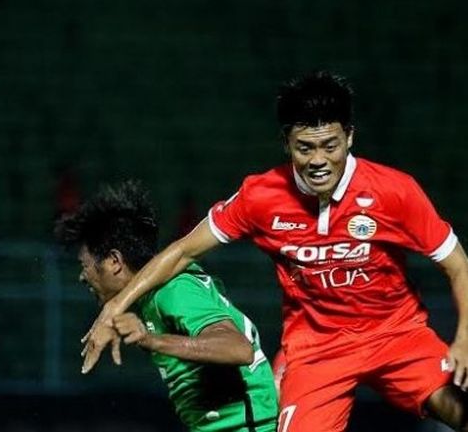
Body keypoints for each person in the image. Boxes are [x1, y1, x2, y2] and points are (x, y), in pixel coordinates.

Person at [81, 71, 468, 432]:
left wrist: (465, 337)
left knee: (456, 409)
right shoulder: (260, 197)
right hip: (318, 350)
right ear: (286, 143)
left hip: (395, 333)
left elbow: (458, 265)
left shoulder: (395, 191)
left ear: (349, 136)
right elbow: (181, 252)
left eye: (329, 146)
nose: (318, 160)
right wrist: (115, 307)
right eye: (305, 148)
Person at [55, 181, 278, 431]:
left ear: (114, 261)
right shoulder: (148, 299)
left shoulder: (172, 290)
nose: (81, 276)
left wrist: (150, 340)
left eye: (84, 265)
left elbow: (238, 349)